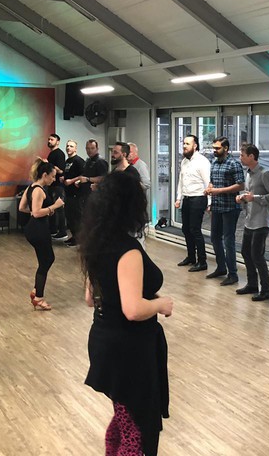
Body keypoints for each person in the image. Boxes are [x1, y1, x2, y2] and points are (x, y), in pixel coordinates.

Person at [81, 172, 172, 456]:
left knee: (124, 419)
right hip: (128, 348)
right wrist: (160, 304)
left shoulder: (96, 242)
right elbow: (132, 310)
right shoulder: (127, 250)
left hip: (104, 339)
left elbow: (90, 299)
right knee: (138, 428)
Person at [19, 158, 65, 311]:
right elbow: (37, 213)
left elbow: (22, 207)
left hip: (34, 229)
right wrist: (54, 207)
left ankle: (36, 290)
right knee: (47, 260)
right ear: (44, 175)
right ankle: (38, 297)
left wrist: (41, 211)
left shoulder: (31, 187)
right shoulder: (39, 190)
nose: (54, 179)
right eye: (52, 176)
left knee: (45, 260)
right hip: (38, 230)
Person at [235, 144, 269, 301]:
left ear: (251, 156)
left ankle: (266, 290)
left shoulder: (265, 174)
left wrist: (255, 198)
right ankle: (252, 284)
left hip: (261, 221)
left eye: (242, 155)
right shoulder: (248, 173)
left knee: (257, 255)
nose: (240, 158)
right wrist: (242, 197)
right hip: (250, 220)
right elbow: (250, 194)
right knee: (246, 252)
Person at [206, 137, 245, 286]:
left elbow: (240, 185)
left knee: (228, 241)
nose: (214, 150)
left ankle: (233, 274)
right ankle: (221, 267)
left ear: (226, 148)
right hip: (217, 206)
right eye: (214, 148)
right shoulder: (214, 163)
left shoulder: (234, 164)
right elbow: (212, 181)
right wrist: (210, 189)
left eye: (217, 148)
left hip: (230, 207)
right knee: (215, 238)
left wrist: (219, 190)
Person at [174, 135, 211, 271]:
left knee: (195, 230)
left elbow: (208, 182)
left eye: (187, 144)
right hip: (187, 198)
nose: (184, 146)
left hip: (199, 198)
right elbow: (181, 181)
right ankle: (191, 257)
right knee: (186, 229)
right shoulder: (184, 161)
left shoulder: (202, 161)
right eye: (184, 143)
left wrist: (210, 202)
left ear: (195, 146)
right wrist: (179, 198)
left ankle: (202, 261)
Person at [62, 139, 85, 247]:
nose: (68, 148)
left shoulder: (79, 161)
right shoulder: (67, 161)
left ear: (75, 148)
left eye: (71, 146)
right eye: (67, 146)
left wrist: (72, 181)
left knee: (76, 218)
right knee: (70, 217)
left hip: (77, 194)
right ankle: (74, 236)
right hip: (68, 193)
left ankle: (80, 239)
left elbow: (83, 175)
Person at [46, 133, 68, 240]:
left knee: (59, 209)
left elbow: (61, 170)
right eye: (49, 139)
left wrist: (48, 164)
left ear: (57, 142)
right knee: (52, 209)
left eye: (52, 139)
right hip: (50, 185)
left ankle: (62, 232)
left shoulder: (59, 154)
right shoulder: (51, 154)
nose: (49, 141)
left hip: (58, 186)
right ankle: (53, 230)